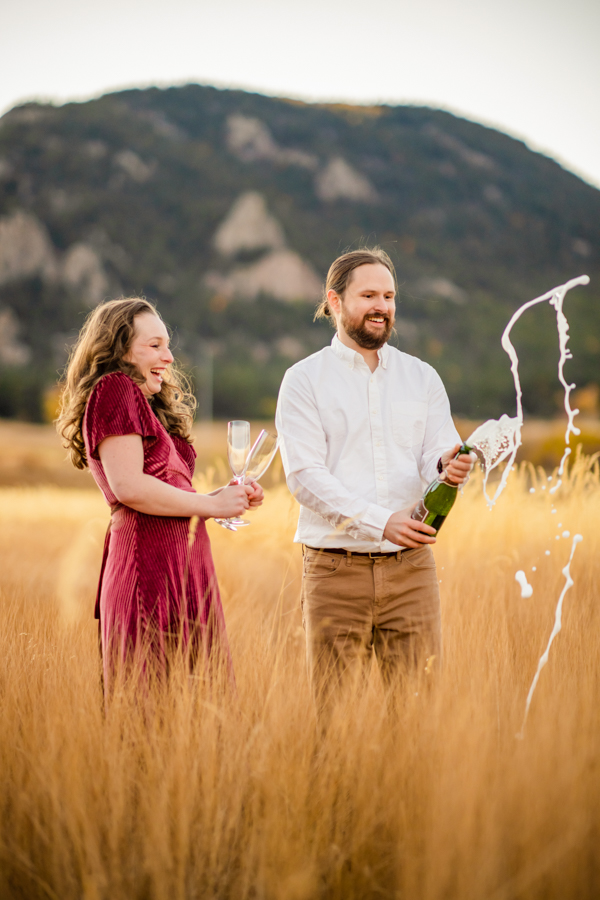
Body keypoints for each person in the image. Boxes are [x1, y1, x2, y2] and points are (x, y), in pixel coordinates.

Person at [275, 248, 474, 710]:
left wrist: (447, 466)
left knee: (418, 715)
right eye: (368, 295)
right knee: (335, 724)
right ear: (336, 301)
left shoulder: (421, 377)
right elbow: (304, 476)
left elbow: (433, 456)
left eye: (389, 295)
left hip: (412, 571)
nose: (381, 305)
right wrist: (380, 520)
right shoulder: (303, 380)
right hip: (333, 572)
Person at [57, 297, 262, 693]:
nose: (168, 357)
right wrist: (210, 505)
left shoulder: (146, 405)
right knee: (149, 716)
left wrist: (221, 497)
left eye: (167, 345)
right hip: (146, 572)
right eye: (154, 345)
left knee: (199, 717)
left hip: (183, 572)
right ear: (118, 349)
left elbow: (165, 489)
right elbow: (129, 487)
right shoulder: (115, 389)